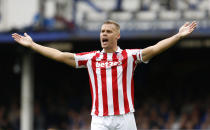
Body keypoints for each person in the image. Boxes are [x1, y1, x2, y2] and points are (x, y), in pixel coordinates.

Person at [12, 20, 197, 130]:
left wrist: (178, 36)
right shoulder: (92, 58)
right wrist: (33, 45)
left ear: (117, 36)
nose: (104, 34)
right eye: (102, 31)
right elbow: (61, 56)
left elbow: (154, 49)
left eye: (108, 31)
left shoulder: (129, 56)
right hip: (100, 118)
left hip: (125, 117)